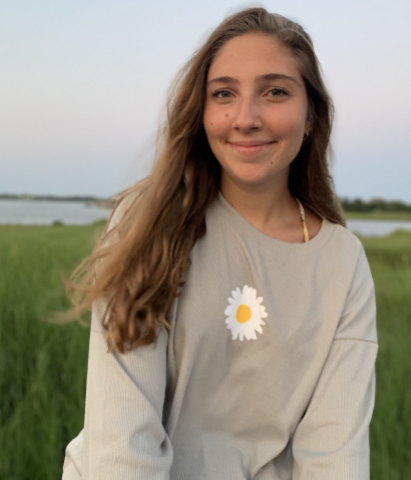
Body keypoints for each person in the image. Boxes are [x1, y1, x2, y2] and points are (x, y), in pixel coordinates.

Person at [62, 7, 378, 480]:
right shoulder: (149, 222)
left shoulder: (342, 262)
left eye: (275, 92)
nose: (246, 118)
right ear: (202, 110)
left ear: (311, 114)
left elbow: (336, 457)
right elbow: (121, 446)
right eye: (224, 93)